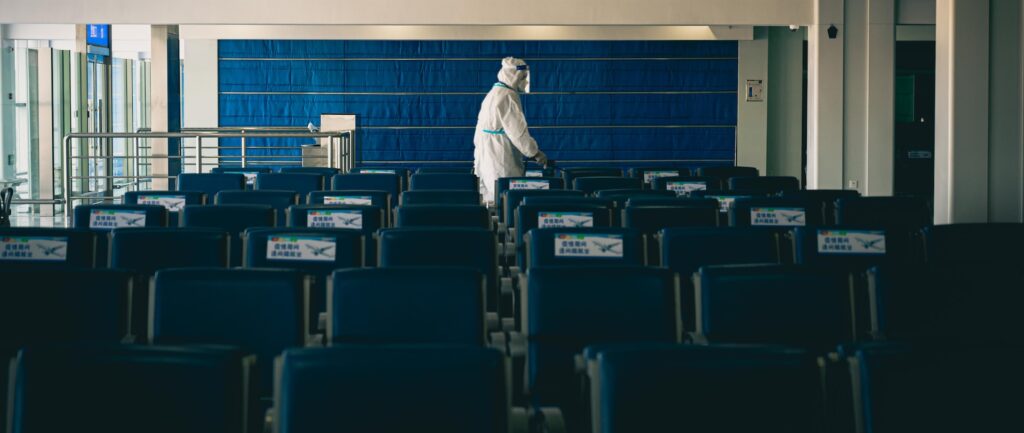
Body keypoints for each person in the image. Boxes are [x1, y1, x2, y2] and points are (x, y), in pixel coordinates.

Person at [473, 57, 549, 205]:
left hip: (487, 154)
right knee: (507, 197)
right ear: (513, 75)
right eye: (522, 77)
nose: (524, 81)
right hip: (501, 156)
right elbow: (518, 133)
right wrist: (535, 153)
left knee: (493, 196)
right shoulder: (508, 96)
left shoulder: (494, 92)